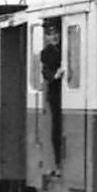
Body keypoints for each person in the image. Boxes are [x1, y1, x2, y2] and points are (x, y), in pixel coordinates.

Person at [41, 23, 65, 166]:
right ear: (46, 37)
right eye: (50, 34)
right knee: (56, 124)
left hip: (65, 91)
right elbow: (46, 72)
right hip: (55, 93)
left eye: (56, 33)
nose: (54, 37)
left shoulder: (65, 47)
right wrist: (56, 75)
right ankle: (57, 159)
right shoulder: (46, 53)